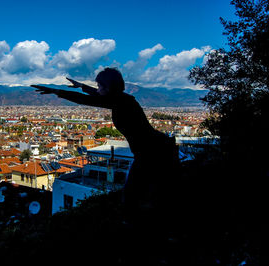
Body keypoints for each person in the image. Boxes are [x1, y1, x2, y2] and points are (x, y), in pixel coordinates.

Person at [32, 67, 179, 222]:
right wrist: (81, 86)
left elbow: (89, 99)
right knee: (152, 192)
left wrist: (57, 91)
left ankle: (141, 227)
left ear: (109, 88)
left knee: (136, 195)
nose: (98, 89)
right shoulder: (122, 100)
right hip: (155, 149)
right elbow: (97, 96)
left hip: (154, 152)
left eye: (101, 86)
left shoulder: (122, 102)